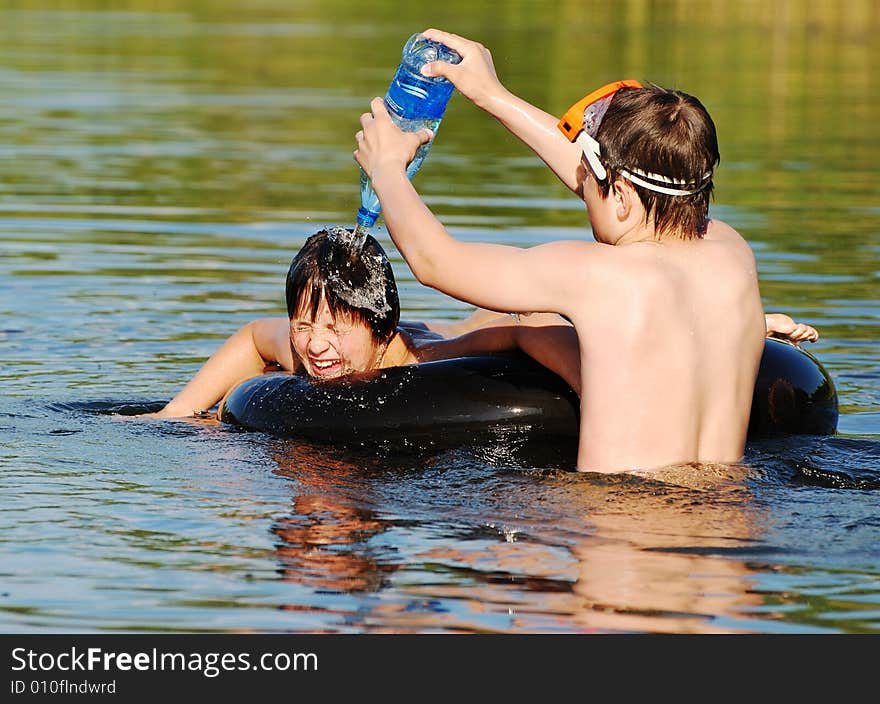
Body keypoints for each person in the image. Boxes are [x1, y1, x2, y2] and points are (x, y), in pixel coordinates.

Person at [353, 28, 819, 474]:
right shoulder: (730, 251)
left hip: (620, 526)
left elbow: (436, 263)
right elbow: (629, 188)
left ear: (618, 195)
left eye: (591, 183)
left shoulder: (596, 274)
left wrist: (388, 169)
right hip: (729, 518)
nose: (580, 185)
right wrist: (490, 94)